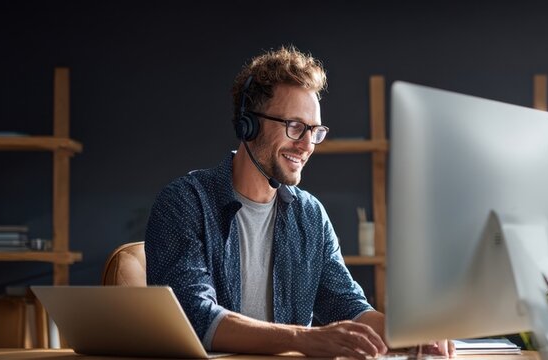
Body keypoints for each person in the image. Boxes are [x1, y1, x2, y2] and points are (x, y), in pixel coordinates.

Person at [145, 45, 454, 359]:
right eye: (295, 127)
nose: (307, 145)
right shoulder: (184, 203)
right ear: (248, 124)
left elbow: (349, 307)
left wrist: (412, 334)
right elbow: (194, 319)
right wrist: (302, 339)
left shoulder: (310, 215)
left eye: (315, 131)